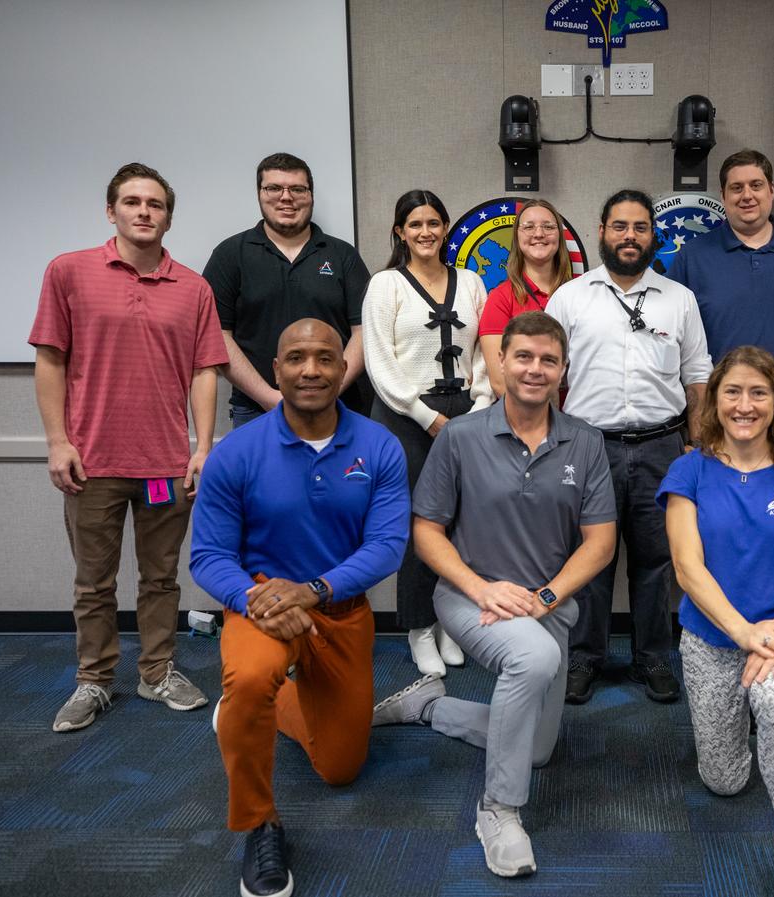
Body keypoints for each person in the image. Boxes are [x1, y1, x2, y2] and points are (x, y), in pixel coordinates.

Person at [371, 312, 615, 879]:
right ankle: (499, 810)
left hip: (544, 604)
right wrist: (480, 587)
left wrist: (547, 597)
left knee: (536, 750)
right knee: (533, 658)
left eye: (548, 360)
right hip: (466, 596)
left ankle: (428, 705)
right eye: (523, 357)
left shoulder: (586, 441)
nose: (535, 369)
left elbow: (600, 544)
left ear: (563, 370)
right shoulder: (459, 437)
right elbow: (426, 531)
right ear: (499, 362)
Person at [190, 318, 409, 897]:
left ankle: (257, 706)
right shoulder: (236, 452)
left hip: (338, 607)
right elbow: (209, 556)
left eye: (323, 358)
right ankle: (260, 824)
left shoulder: (378, 446)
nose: (310, 369)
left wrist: (312, 590)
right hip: (262, 604)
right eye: (295, 358)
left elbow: (386, 545)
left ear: (343, 369)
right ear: (276, 370)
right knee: (251, 674)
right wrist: (254, 599)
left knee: (340, 769)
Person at [30, 162, 227, 733]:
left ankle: (156, 671)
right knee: (94, 583)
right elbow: (50, 360)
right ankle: (93, 681)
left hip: (165, 463)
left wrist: (202, 446)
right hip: (91, 463)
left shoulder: (192, 287)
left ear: (168, 216)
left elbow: (204, 371)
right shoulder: (68, 272)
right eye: (133, 202)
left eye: (156, 204)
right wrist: (57, 442)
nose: (144, 212)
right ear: (111, 210)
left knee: (161, 578)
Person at [659, 346, 774, 897]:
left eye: (759, 392)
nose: (744, 404)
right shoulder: (689, 469)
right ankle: (758, 725)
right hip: (714, 639)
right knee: (726, 780)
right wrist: (743, 633)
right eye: (732, 391)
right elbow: (688, 568)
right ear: (715, 400)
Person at [546, 188, 713, 704]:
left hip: (663, 445)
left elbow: (699, 376)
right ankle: (584, 657)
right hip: (588, 447)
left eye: (640, 227)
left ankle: (654, 658)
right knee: (588, 559)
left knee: (658, 560)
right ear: (601, 231)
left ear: (653, 235)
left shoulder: (678, 298)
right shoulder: (571, 297)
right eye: (619, 226)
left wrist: (699, 444)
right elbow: (548, 374)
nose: (629, 236)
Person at [362, 189, 495, 676]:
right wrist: (430, 419)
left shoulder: (472, 282)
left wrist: (478, 407)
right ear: (400, 231)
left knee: (463, 524)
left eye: (434, 223)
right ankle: (418, 627)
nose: (425, 232)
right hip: (407, 420)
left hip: (468, 412)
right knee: (421, 527)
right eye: (415, 224)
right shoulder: (385, 285)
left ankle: (450, 623)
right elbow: (381, 365)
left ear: (446, 229)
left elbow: (484, 351)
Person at [203, 152, 371, 426]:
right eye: (273, 188)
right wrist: (269, 397)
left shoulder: (343, 255)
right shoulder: (230, 255)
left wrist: (328, 392)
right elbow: (217, 335)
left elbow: (364, 333)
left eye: (297, 189)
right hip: (257, 409)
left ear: (311, 195)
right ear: (259, 194)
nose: (286, 197)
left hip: (338, 406)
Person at [665, 149, 774, 413]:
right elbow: (671, 338)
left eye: (756, 185)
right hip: (720, 418)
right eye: (736, 187)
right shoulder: (693, 257)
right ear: (723, 196)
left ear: (771, 190)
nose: (747, 195)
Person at [477, 199, 574, 397]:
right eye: (528, 227)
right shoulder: (501, 299)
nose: (539, 234)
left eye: (548, 227)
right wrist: (540, 421)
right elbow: (499, 382)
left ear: (559, 237)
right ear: (517, 237)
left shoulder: (580, 294)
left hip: (578, 418)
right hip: (526, 422)